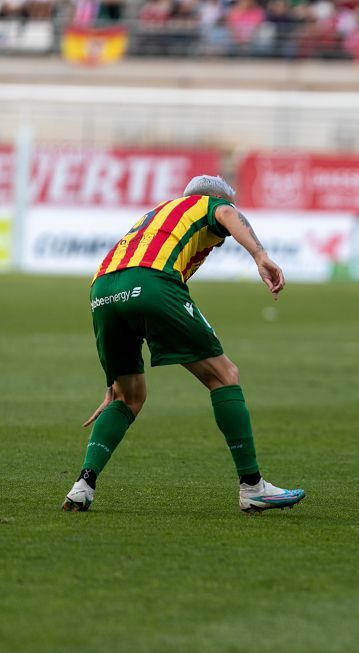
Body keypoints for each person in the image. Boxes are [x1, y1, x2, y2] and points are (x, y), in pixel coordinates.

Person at [62, 175, 305, 514]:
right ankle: (253, 488)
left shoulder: (156, 216)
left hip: (102, 290)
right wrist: (260, 255)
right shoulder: (207, 204)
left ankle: (82, 486)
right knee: (224, 375)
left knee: (127, 396)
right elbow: (227, 214)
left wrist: (111, 380)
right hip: (149, 281)